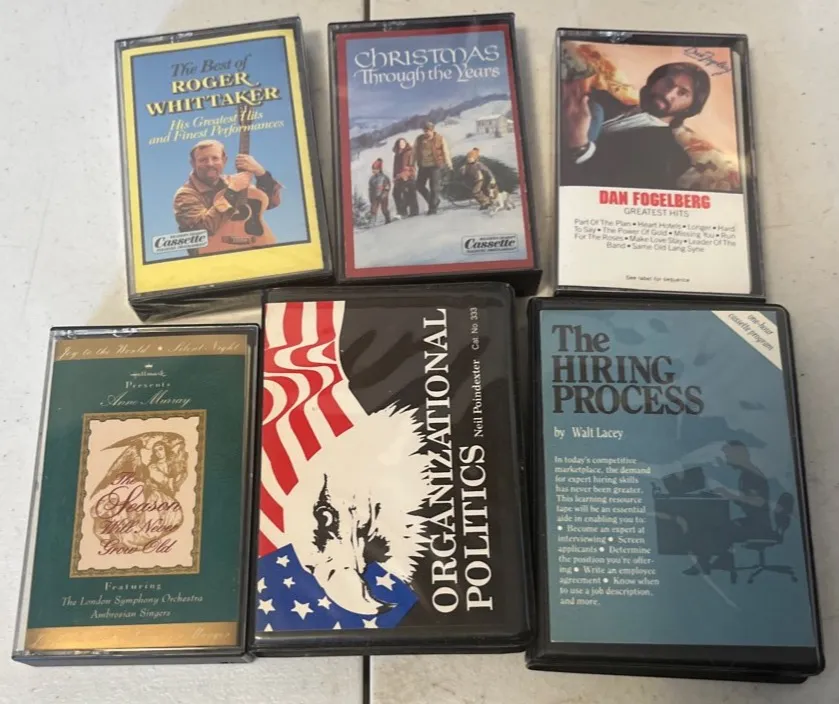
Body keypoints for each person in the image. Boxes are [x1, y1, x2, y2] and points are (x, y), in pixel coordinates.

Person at [561, 62, 711, 190]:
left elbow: (614, 196)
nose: (669, 94)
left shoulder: (670, 156)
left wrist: (579, 143)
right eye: (667, 83)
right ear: (654, 82)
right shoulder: (604, 99)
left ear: (689, 108)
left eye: (682, 93)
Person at [173, 139, 281, 251]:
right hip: (213, 254)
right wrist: (232, 192)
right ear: (193, 163)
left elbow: (271, 203)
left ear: (224, 160)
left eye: (215, 158)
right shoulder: (185, 195)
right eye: (203, 160)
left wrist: (261, 173)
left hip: (253, 246)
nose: (210, 164)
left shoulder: (233, 181)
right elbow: (202, 230)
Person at [413, 121, 452, 215]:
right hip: (423, 166)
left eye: (428, 130)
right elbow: (414, 152)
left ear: (433, 130)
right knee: (419, 186)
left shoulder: (440, 138)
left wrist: (449, 164)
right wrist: (412, 163)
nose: (426, 132)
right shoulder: (419, 139)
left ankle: (432, 209)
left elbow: (445, 152)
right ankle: (434, 201)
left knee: (434, 187)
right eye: (425, 130)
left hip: (436, 166)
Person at [392, 138, 418, 217]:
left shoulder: (409, 152)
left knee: (411, 193)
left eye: (403, 143)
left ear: (406, 143)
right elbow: (395, 168)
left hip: (409, 176)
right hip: (399, 177)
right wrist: (395, 177)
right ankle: (402, 212)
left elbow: (412, 166)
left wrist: (406, 173)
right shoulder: (397, 155)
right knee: (396, 193)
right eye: (400, 143)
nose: (401, 144)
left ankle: (414, 212)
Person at [368, 158, 392, 225]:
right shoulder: (372, 179)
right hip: (375, 196)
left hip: (383, 196)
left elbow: (387, 187)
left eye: (375, 169)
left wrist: (384, 194)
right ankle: (372, 222)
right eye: (373, 169)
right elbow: (370, 189)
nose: (374, 171)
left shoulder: (384, 177)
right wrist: (371, 197)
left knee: (384, 209)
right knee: (373, 209)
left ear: (379, 169)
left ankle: (387, 218)